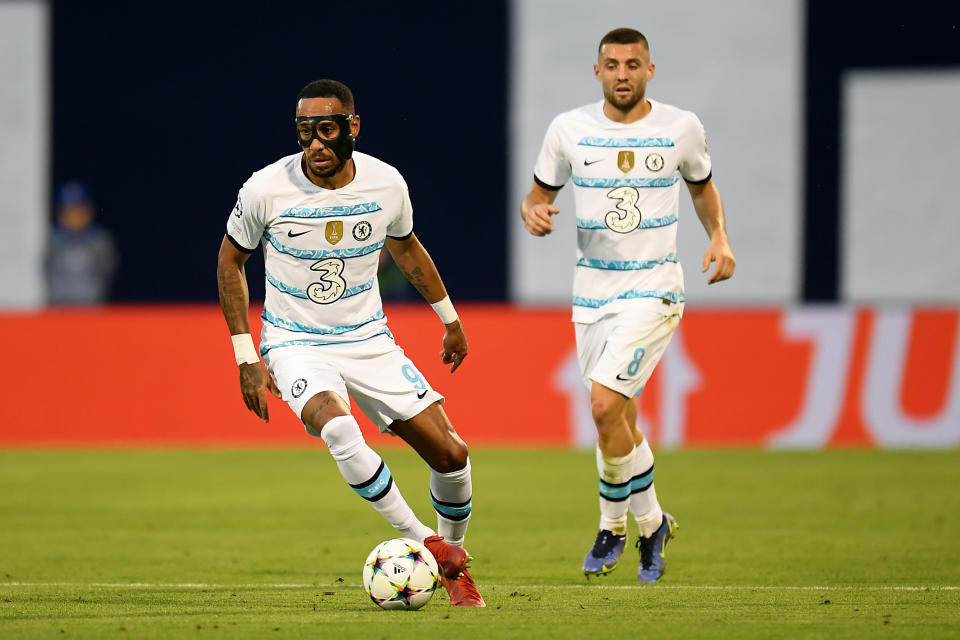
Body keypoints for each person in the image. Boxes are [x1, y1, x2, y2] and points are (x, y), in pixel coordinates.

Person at [217, 79, 484, 607]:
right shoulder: (265, 189)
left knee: (452, 455)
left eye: (326, 130)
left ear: (352, 128)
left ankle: (454, 562)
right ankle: (423, 541)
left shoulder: (387, 184)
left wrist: (449, 318)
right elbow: (230, 261)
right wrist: (246, 355)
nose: (314, 144)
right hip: (295, 342)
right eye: (304, 132)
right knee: (337, 424)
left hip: (369, 340)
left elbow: (406, 250)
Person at [520, 28, 735, 582]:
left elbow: (701, 186)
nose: (623, 74)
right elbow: (539, 195)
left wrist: (719, 237)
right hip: (591, 296)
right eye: (612, 64)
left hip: (655, 288)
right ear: (597, 72)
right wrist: (533, 212)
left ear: (650, 70)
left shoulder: (680, 128)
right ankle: (653, 522)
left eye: (633, 64)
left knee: (600, 407)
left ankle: (611, 525)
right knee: (618, 418)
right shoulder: (568, 130)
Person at [45, 181, 118, 305]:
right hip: (59, 309)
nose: (74, 218)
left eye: (79, 212)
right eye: (69, 212)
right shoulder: (54, 241)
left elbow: (107, 272)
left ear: (89, 212)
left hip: (90, 310)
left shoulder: (99, 242)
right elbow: (47, 270)